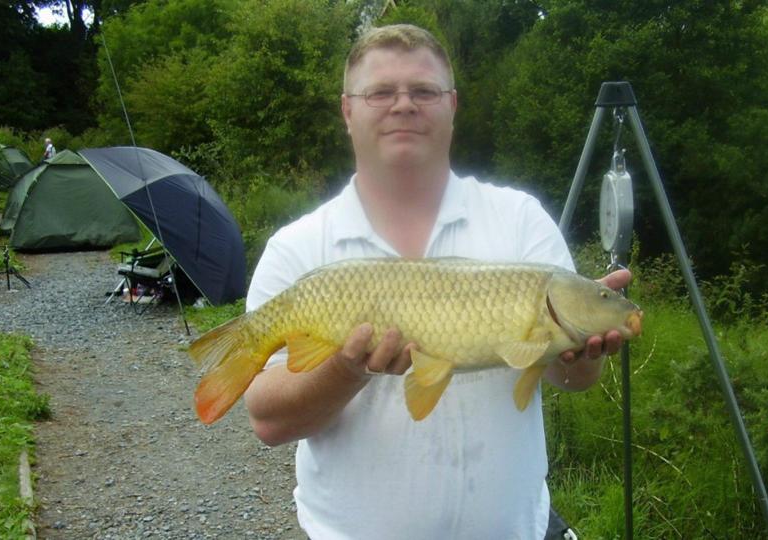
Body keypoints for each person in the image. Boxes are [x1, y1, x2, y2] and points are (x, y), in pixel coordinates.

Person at [243, 24, 631, 540]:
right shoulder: (298, 248)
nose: (404, 105)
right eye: (380, 92)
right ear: (347, 110)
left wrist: (583, 354)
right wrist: (347, 369)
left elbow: (572, 380)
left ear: (452, 104)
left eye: (424, 91)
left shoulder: (520, 220)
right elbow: (268, 422)